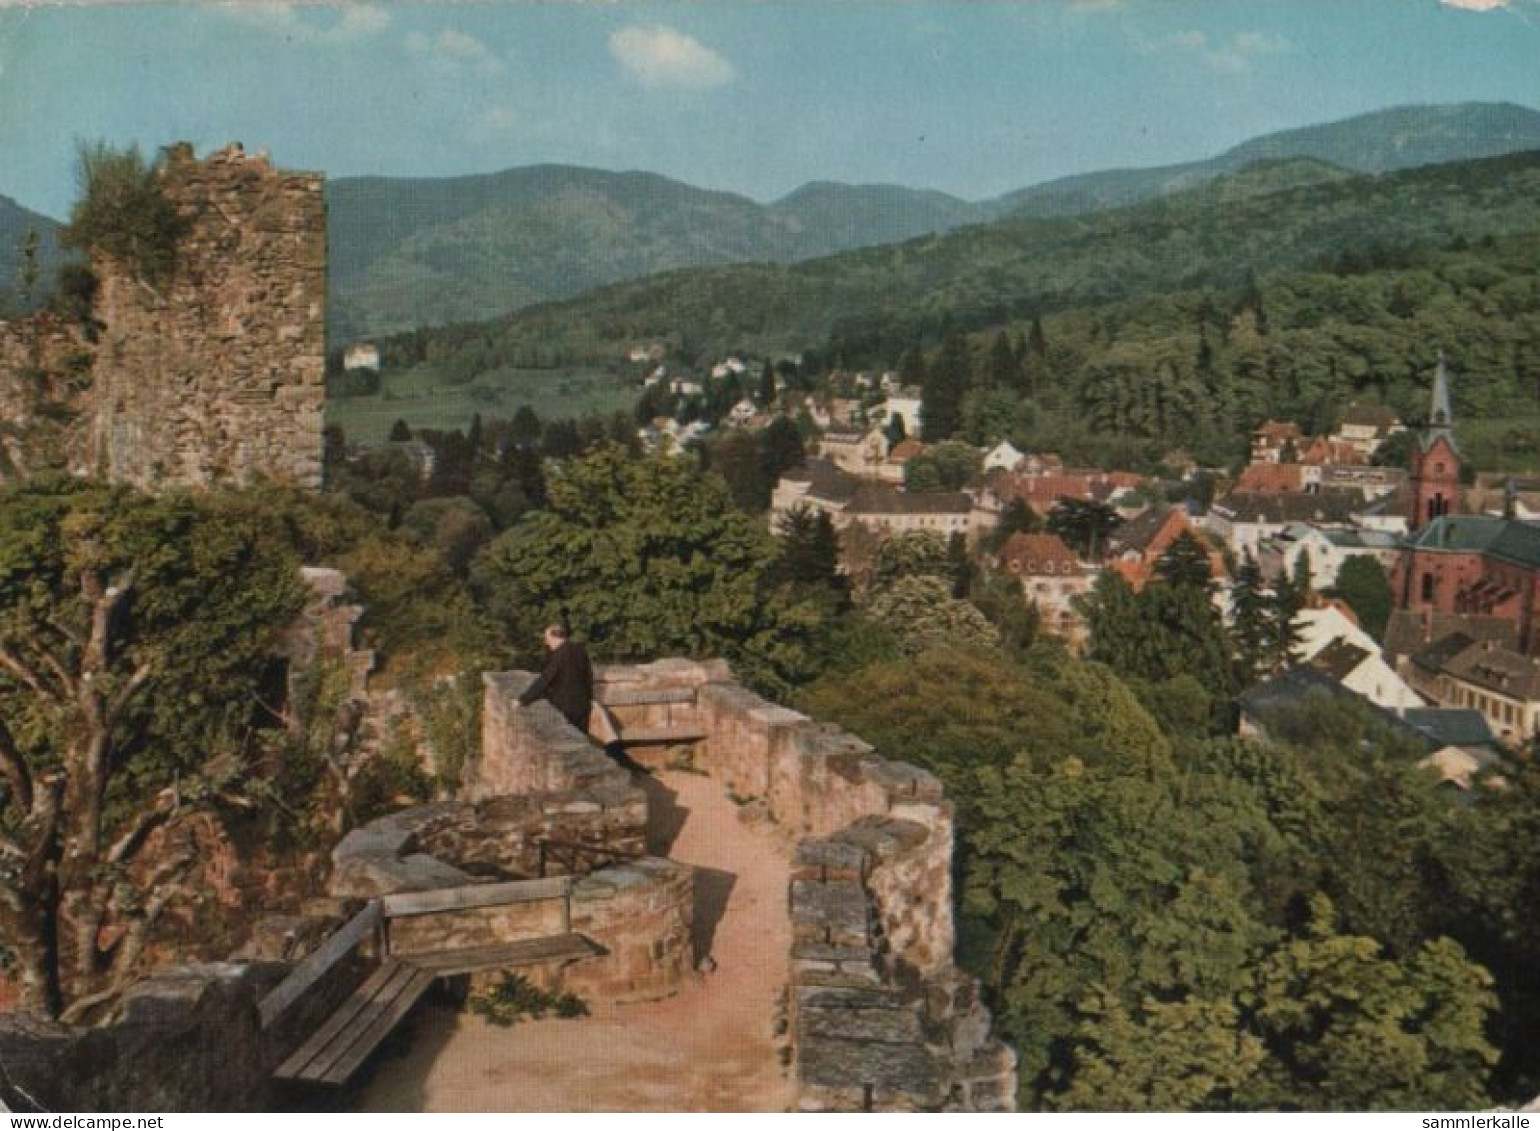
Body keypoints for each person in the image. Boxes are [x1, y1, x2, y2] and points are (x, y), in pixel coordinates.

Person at [518, 624, 594, 732]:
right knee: (581, 738)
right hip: (583, 704)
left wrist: (523, 699)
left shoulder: (559, 655)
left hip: (566, 706)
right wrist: (590, 697)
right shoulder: (579, 650)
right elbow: (588, 676)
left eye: (546, 638)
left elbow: (545, 679)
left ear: (554, 637)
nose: (546, 642)